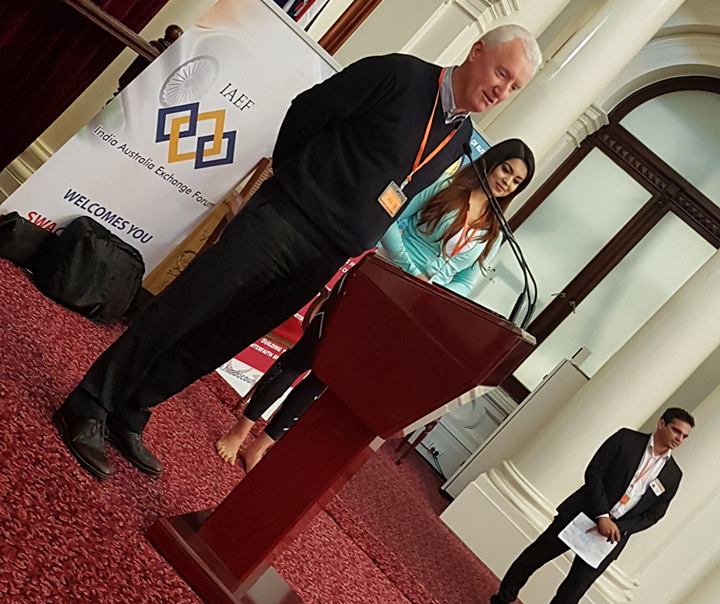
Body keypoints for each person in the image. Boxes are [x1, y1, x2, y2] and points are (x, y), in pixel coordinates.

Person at [54, 25, 541, 481]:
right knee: (184, 312)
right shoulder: (397, 74)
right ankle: (89, 403)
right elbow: (308, 111)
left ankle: (132, 408)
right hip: (284, 219)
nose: (502, 90)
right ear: (477, 51)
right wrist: (296, 181)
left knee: (221, 338)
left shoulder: (459, 139)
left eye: (515, 87)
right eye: (502, 73)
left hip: (325, 257)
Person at [216, 138, 535, 470]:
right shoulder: (445, 187)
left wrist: (437, 295)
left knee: (329, 375)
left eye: (516, 182)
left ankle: (262, 445)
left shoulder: (495, 231)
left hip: (410, 310)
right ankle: (240, 431)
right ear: (491, 162)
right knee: (306, 356)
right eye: (506, 170)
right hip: (378, 282)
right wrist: (411, 271)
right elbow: (390, 222)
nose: (507, 182)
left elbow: (466, 281)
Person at [481, 408, 694, 604]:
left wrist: (617, 527)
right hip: (581, 515)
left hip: (609, 538)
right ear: (662, 423)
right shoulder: (626, 439)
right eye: (676, 430)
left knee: (572, 592)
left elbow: (654, 515)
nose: (679, 438)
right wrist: (602, 515)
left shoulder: (673, 475)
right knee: (534, 558)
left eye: (684, 436)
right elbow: (594, 472)